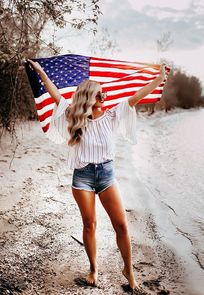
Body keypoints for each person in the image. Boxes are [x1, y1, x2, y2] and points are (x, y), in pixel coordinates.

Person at [27, 58, 167, 291]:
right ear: (88, 99)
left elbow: (137, 97)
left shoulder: (112, 117)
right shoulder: (74, 116)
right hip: (82, 177)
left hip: (106, 176)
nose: (104, 98)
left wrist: (159, 79)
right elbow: (55, 95)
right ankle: (93, 269)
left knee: (121, 225)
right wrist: (41, 72)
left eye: (103, 94)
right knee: (90, 224)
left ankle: (128, 271)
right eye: (99, 95)